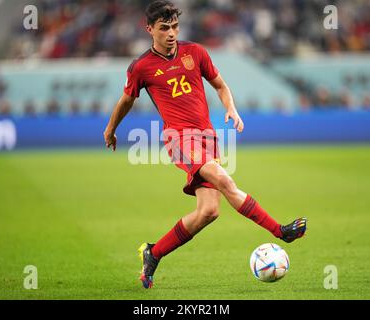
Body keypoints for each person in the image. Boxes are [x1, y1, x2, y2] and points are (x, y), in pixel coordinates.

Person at [103, 0, 307, 289]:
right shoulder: (141, 67)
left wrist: (231, 109)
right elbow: (126, 100)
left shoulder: (195, 52)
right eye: (164, 28)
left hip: (207, 138)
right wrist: (111, 129)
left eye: (174, 26)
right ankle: (280, 231)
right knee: (224, 179)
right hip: (179, 139)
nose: (171, 33)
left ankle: (154, 252)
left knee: (209, 211)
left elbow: (220, 85)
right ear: (150, 29)